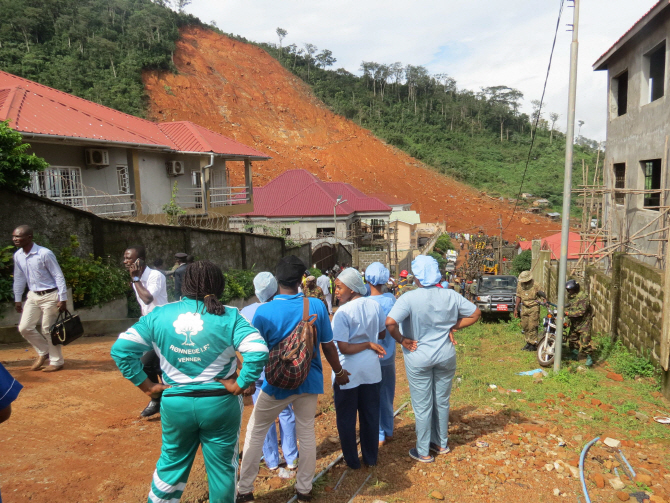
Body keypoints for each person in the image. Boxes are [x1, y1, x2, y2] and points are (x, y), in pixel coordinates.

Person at [111, 260, 267, 503]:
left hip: (176, 404)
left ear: (183, 284)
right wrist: (241, 383)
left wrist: (148, 386)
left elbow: (121, 350)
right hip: (220, 406)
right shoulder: (230, 316)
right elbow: (258, 351)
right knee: (223, 469)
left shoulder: (159, 315)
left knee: (171, 465)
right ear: (219, 285)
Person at [237, 256, 350, 503]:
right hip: (308, 380)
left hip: (275, 384)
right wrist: (339, 373)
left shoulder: (263, 311)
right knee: (306, 431)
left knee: (255, 431)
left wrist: (246, 381)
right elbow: (328, 346)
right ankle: (304, 490)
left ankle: (244, 490)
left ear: (277, 280)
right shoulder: (317, 306)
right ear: (301, 281)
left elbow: (257, 352)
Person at [386, 255, 481, 463]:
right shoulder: (450, 295)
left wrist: (402, 340)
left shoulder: (408, 298)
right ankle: (441, 443)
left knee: (422, 405)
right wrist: (453, 326)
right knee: (442, 401)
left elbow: (390, 323)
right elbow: (475, 313)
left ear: (417, 278)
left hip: (418, 355)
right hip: (445, 355)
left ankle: (423, 451)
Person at [240, 273, 298, 472]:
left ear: (256, 290)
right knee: (285, 412)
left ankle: (272, 460)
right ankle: (291, 458)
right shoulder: (283, 308)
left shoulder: (246, 312)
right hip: (280, 370)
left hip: (257, 372)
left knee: (262, 416)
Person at [331, 268, 386, 469]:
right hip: (371, 370)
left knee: (346, 418)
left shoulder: (343, 312)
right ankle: (371, 458)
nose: (336, 291)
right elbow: (382, 334)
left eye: (339, 287)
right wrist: (369, 341)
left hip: (348, 373)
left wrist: (364, 343)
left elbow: (343, 347)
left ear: (352, 289)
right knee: (370, 415)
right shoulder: (374, 305)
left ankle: (353, 461)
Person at [12, 225, 68, 372]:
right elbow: (19, 278)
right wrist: (18, 298)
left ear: (29, 237)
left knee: (48, 329)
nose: (15, 239)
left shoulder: (44, 253)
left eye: (18, 237)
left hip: (50, 295)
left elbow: (58, 275)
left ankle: (57, 362)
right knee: (24, 327)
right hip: (33, 295)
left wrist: (62, 298)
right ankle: (44, 351)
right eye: (14, 237)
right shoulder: (18, 255)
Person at [123, 245, 169, 417]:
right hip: (148, 326)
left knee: (160, 365)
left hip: (162, 327)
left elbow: (148, 299)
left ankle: (167, 400)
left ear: (139, 261)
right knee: (144, 364)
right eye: (125, 258)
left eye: (128, 258)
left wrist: (136, 280)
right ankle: (157, 398)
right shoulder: (137, 278)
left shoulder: (154, 275)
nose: (125, 261)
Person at [365, 262, 398, 447]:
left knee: (371, 395)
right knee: (387, 393)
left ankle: (378, 434)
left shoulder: (364, 303)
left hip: (370, 356)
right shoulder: (391, 300)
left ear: (367, 280)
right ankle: (389, 429)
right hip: (389, 355)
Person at [565, 279, 595, 366]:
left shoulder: (583, 297)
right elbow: (570, 308)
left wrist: (567, 313)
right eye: (568, 290)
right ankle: (574, 355)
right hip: (574, 322)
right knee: (572, 340)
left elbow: (581, 311)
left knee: (585, 342)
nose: (569, 292)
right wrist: (567, 320)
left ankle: (589, 358)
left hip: (584, 323)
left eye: (571, 290)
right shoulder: (571, 297)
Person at [514, 271, 544, 352]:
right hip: (524, 307)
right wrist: (516, 308)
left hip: (533, 307)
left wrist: (543, 302)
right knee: (525, 326)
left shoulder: (536, 285)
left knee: (532, 326)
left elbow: (542, 295)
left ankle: (533, 343)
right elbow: (518, 296)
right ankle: (528, 342)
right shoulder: (520, 285)